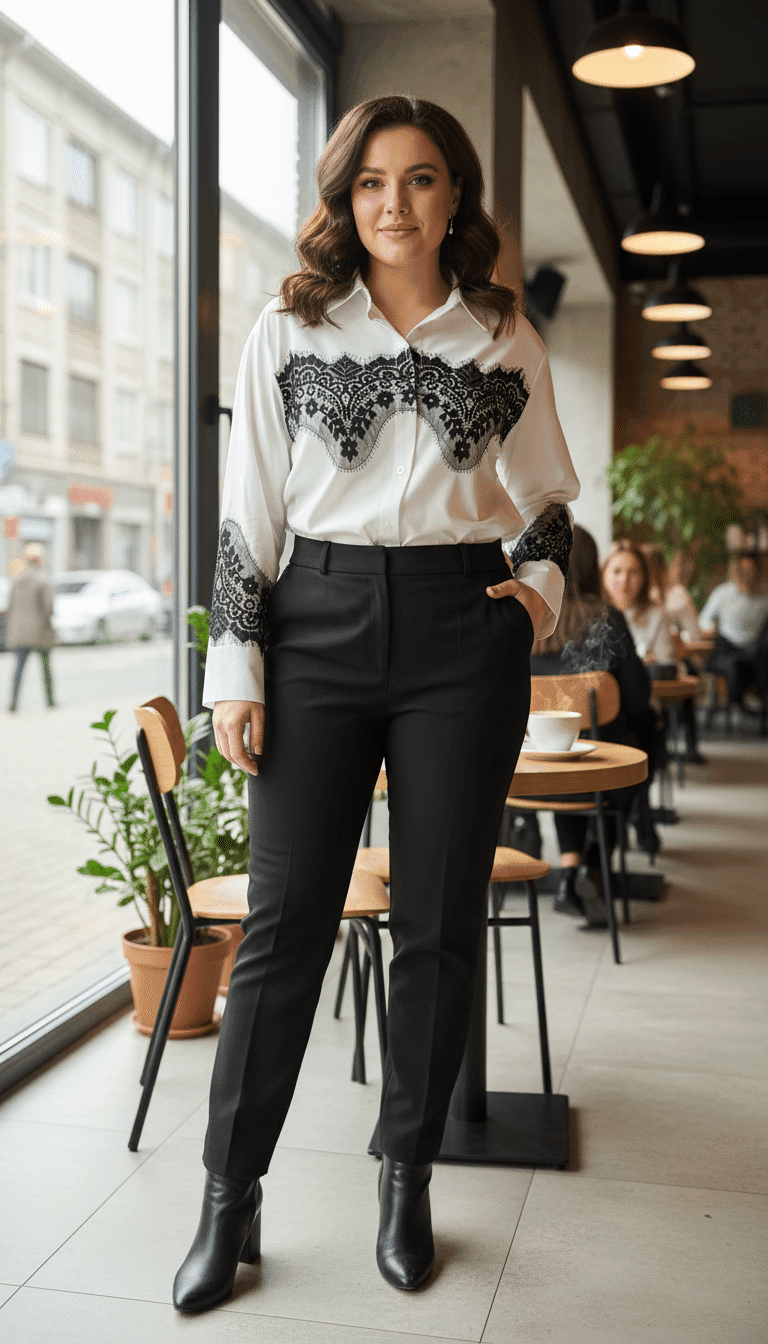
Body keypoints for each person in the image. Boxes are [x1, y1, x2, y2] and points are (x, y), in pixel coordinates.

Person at [172, 95, 578, 1312]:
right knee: (286, 927)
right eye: (369, 183)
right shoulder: (291, 330)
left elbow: (551, 499)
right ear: (346, 198)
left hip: (464, 632)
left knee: (440, 926)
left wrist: (526, 608)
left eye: (420, 178)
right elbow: (251, 511)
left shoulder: (502, 336)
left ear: (456, 197)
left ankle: (406, 1179)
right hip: (318, 630)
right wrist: (234, 669)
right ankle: (228, 1199)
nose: (394, 202)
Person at [516, 526, 655, 924]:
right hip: (597, 780)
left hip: (527, 777)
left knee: (564, 749)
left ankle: (569, 869)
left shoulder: (526, 621)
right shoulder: (606, 618)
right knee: (629, 749)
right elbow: (638, 699)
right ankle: (592, 866)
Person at [640, 542, 705, 763]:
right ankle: (676, 746)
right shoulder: (654, 598)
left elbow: (693, 635)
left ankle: (678, 745)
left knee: (682, 675)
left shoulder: (673, 596)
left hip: (670, 662)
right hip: (660, 664)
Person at [700, 551, 768, 711]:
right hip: (726, 649)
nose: (747, 575)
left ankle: (757, 700)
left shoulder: (764, 599)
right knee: (733, 666)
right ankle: (739, 701)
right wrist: (710, 629)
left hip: (754, 652)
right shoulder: (723, 593)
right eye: (743, 570)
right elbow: (703, 619)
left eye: (751, 570)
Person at [602, 540, 675, 666]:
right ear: (603, 575)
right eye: (617, 571)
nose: (624, 579)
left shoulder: (656, 615)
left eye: (633, 572)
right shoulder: (590, 615)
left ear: (643, 578)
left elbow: (666, 665)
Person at [7, 543, 56, 712]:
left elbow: (10, 605)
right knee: (45, 669)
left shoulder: (17, 580)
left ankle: (13, 702)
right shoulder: (43, 580)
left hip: (19, 633)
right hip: (39, 632)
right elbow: (48, 607)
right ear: (41, 560)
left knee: (19, 669)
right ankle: (50, 701)